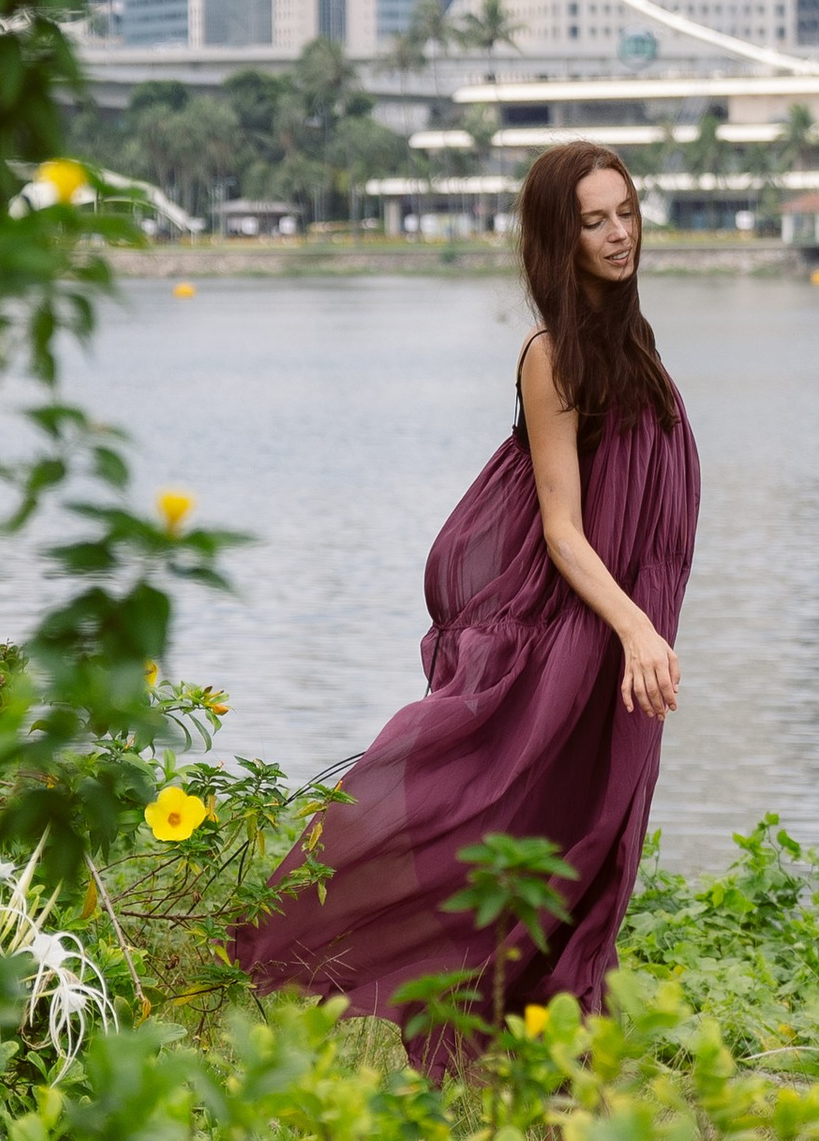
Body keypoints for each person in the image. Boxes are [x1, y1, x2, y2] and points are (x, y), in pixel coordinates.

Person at [234, 141, 700, 1044]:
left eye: (626, 213)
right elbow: (563, 528)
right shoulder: (552, 353)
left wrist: (645, 631)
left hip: (629, 632)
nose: (618, 235)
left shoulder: (632, 343)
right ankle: (289, 955)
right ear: (555, 242)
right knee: (487, 808)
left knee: (595, 827)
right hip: (582, 630)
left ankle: (538, 1029)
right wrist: (639, 630)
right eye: (593, 221)